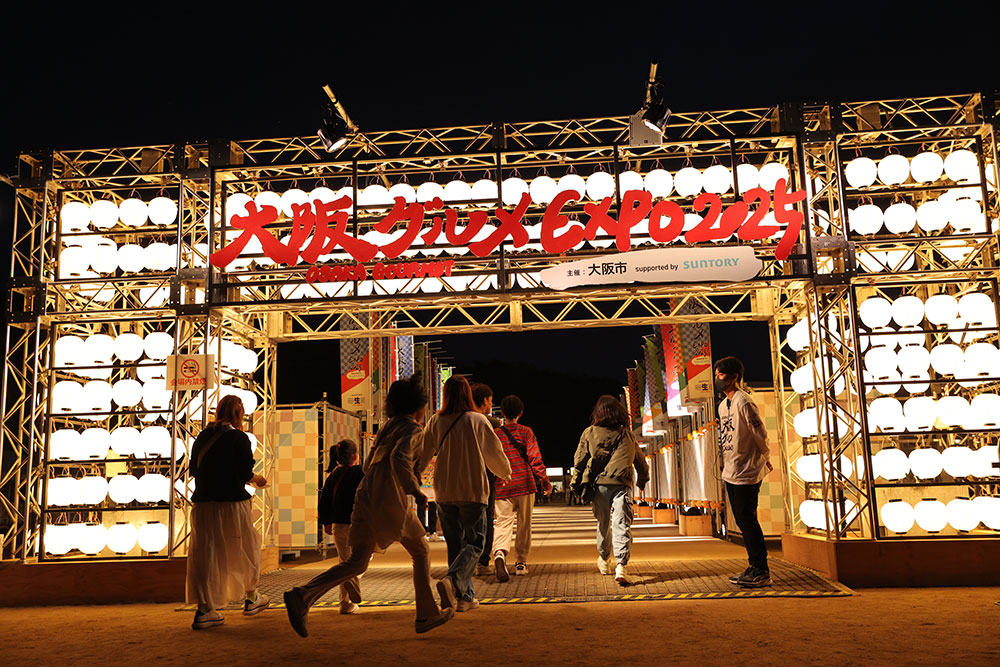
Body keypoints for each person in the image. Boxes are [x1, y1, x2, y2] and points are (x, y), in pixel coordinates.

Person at [284, 376, 454, 637]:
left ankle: (302, 595)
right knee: (420, 551)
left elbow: (367, 465)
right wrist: (414, 490)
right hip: (390, 499)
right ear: (418, 407)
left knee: (357, 562)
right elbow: (399, 458)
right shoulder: (413, 430)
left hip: (366, 496)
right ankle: (426, 614)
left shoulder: (387, 428)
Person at [420, 376, 511, 612]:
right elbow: (493, 452)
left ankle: (464, 598)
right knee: (476, 543)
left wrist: (413, 474)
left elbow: (423, 453)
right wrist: (505, 472)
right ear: (467, 395)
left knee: (455, 545)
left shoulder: (435, 421)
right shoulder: (477, 420)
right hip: (472, 489)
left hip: (445, 490)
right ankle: (452, 581)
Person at [186, 394, 270, 630]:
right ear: (238, 413)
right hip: (232, 504)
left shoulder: (203, 436)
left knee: (206, 555)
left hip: (203, 505)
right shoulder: (239, 438)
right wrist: (258, 479)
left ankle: (204, 610)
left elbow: (193, 469)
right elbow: (245, 473)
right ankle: (251, 598)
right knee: (245, 549)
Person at [572, 395, 649, 585]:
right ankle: (621, 565)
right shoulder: (626, 434)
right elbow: (640, 460)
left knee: (603, 523)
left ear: (598, 413)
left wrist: (575, 483)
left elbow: (579, 460)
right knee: (621, 523)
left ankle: (604, 559)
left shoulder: (589, 433)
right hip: (621, 484)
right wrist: (642, 480)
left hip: (599, 486)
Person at [714, 356, 772, 588]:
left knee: (747, 519)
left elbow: (760, 432)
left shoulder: (744, 401)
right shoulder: (722, 406)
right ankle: (753, 565)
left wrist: (765, 456)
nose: (717, 379)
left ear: (733, 377)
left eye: (720, 375)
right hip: (731, 469)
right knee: (742, 519)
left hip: (747, 470)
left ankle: (761, 569)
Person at [492, 394, 552, 580]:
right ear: (520, 413)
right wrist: (545, 481)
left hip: (503, 485)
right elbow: (534, 458)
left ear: (502, 413)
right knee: (524, 524)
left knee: (502, 522)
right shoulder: (526, 432)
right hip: (525, 484)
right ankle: (520, 563)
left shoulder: (496, 434)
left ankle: (500, 553)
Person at [317, 438, 364, 615]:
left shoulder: (333, 476)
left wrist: (326, 522)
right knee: (363, 558)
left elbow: (324, 501)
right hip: (358, 524)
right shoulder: (361, 473)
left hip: (339, 525)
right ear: (355, 456)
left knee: (344, 562)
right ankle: (352, 579)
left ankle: (345, 603)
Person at [469, 382, 501, 577]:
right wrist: (505, 473)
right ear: (484, 401)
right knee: (486, 517)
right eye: (490, 400)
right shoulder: (489, 423)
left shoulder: (454, 419)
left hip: (462, 474)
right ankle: (482, 562)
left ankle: (465, 563)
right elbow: (496, 451)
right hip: (485, 474)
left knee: (464, 520)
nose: (491, 404)